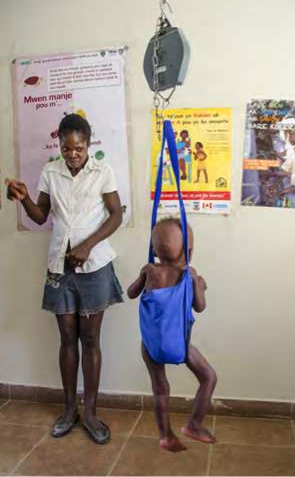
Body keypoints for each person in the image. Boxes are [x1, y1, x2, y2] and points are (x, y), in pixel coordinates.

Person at [6, 114, 123, 444]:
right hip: (60, 264)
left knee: (91, 340)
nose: (73, 154)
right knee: (67, 338)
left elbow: (117, 214)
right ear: (59, 145)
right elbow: (41, 216)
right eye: (67, 148)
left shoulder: (102, 171)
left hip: (95, 266)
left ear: (89, 144)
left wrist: (87, 245)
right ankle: (69, 410)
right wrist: (24, 197)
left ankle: (91, 414)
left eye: (79, 148)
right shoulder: (50, 171)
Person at [127, 218, 217, 452]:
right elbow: (200, 307)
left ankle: (166, 435)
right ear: (189, 250)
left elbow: (131, 293)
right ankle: (194, 425)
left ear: (155, 249)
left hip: (151, 345)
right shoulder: (189, 275)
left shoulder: (149, 270)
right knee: (208, 377)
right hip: (180, 343)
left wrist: (143, 276)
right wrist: (201, 286)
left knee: (160, 389)